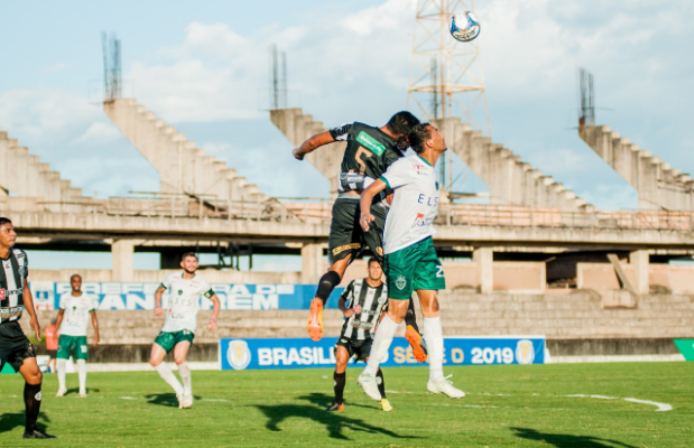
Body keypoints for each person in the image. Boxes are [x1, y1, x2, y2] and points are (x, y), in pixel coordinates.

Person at [293, 112, 428, 362]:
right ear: (402, 134)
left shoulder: (355, 128)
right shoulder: (394, 156)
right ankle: (412, 328)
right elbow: (390, 194)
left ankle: (319, 301)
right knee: (396, 273)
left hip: (344, 203)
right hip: (372, 209)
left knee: (338, 266)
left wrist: (300, 152)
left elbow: (315, 141)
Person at [356, 123, 465, 400]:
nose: (442, 133)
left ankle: (437, 377)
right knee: (398, 312)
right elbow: (369, 191)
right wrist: (365, 213)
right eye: (437, 132)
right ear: (428, 142)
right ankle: (369, 372)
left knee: (432, 305)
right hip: (400, 247)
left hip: (425, 244)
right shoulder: (407, 166)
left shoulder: (431, 174)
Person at [0, 217, 56, 439]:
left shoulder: (20, 257)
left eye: (13, 230)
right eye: (7, 230)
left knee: (35, 375)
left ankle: (31, 429)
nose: (13, 233)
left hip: (13, 329)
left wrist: (33, 316)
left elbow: (24, 287)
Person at [149, 253, 220, 409]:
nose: (191, 264)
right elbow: (159, 291)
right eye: (188, 261)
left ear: (197, 264)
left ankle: (187, 392)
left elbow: (216, 300)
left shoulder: (200, 283)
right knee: (154, 360)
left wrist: (213, 318)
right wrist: (158, 305)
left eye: (194, 261)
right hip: (169, 325)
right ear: (182, 264)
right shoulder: (172, 277)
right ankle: (179, 390)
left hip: (186, 325)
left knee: (179, 358)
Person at [326, 258, 392, 412]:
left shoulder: (386, 291)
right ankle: (338, 403)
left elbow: (386, 310)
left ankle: (383, 399)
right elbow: (341, 300)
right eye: (373, 267)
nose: (375, 270)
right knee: (340, 363)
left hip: (367, 337)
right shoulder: (355, 284)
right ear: (367, 269)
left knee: (373, 364)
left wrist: (379, 324)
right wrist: (345, 310)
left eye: (378, 268)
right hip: (348, 335)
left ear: (382, 271)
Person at [55, 274, 99, 397]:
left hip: (80, 334)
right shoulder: (64, 298)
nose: (77, 284)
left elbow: (93, 316)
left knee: (81, 361)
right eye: (74, 281)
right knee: (61, 361)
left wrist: (96, 334)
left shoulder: (87, 298)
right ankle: (62, 387)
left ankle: (82, 389)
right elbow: (60, 314)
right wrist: (55, 329)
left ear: (81, 283)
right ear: (70, 283)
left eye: (79, 281)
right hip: (65, 333)